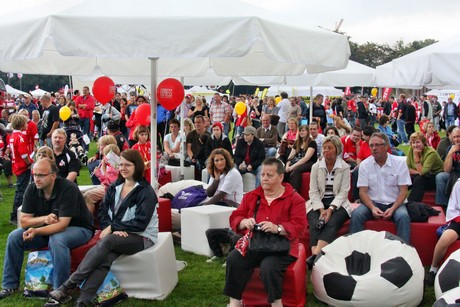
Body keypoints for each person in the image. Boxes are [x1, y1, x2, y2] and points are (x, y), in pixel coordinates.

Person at [47, 150, 158, 306]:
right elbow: (103, 212)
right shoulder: (114, 187)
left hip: (142, 236)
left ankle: (69, 285)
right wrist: (109, 227)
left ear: (137, 166)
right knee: (105, 260)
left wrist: (113, 228)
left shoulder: (146, 191)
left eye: (128, 165)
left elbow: (141, 222)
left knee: (109, 241)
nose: (123, 168)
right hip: (118, 236)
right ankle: (83, 301)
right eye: (121, 165)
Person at [0, 159, 94, 301]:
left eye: (41, 175)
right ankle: (10, 285)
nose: (37, 179)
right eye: (35, 174)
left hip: (79, 228)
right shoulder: (32, 188)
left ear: (53, 175)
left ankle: (61, 291)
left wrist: (36, 231)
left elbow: (62, 225)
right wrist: (43, 219)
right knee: (14, 236)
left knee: (58, 239)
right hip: (47, 227)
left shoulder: (68, 188)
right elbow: (24, 221)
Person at [224, 157, 307, 307]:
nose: (264, 178)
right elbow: (235, 216)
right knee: (233, 259)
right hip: (255, 244)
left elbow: (300, 226)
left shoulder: (296, 199)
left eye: (269, 175)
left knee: (269, 267)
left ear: (281, 177)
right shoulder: (251, 196)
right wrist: (244, 222)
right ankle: (235, 302)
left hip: (282, 247)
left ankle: (277, 303)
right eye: (262, 175)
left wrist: (278, 228)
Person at [349, 132, 412, 243]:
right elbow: (362, 192)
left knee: (403, 217)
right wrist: (372, 207)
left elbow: (403, 191)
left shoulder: (399, 163)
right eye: (371, 145)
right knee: (356, 215)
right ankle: (355, 249)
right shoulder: (364, 165)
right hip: (372, 202)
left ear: (386, 146)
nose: (374, 148)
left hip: (395, 202)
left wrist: (393, 208)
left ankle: (403, 251)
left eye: (377, 145)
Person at [306, 135, 352, 269]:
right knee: (315, 221)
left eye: (330, 148)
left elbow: (343, 192)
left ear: (337, 150)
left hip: (338, 202)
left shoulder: (344, 167)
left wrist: (331, 209)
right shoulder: (316, 166)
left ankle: (314, 256)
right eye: (325, 148)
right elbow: (313, 191)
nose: (326, 151)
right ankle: (316, 255)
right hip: (319, 200)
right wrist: (321, 210)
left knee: (332, 222)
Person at [424, 181, 460, 286]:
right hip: (458, 221)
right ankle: (433, 269)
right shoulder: (459, 184)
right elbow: (455, 208)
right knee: (445, 239)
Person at [8, 114, 33, 225]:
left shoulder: (13, 136)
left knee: (21, 189)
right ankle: (15, 215)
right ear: (22, 124)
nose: (27, 125)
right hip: (22, 167)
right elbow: (23, 155)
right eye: (25, 123)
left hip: (17, 166)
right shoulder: (20, 137)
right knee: (21, 191)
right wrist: (29, 163)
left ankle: (17, 214)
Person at [406, 132, 443, 202]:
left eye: (418, 142)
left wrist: (416, 157)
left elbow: (422, 172)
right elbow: (407, 168)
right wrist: (418, 172)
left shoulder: (431, 153)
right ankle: (394, 200)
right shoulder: (411, 150)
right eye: (413, 143)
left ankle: (412, 203)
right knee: (405, 177)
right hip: (419, 175)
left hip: (434, 177)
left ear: (423, 143)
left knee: (419, 179)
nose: (415, 145)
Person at [284, 124, 317, 192]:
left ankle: (295, 192)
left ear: (307, 132)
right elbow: (291, 156)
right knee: (284, 171)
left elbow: (306, 158)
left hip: (309, 162)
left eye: (303, 131)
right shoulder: (297, 142)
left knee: (296, 170)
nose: (301, 132)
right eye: (300, 131)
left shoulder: (312, 142)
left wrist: (292, 167)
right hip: (297, 161)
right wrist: (287, 166)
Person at [435, 127, 460, 207]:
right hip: (455, 174)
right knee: (440, 176)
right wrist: (450, 153)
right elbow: (446, 170)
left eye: (458, 136)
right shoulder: (450, 148)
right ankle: (443, 205)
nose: (456, 139)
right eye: (454, 137)